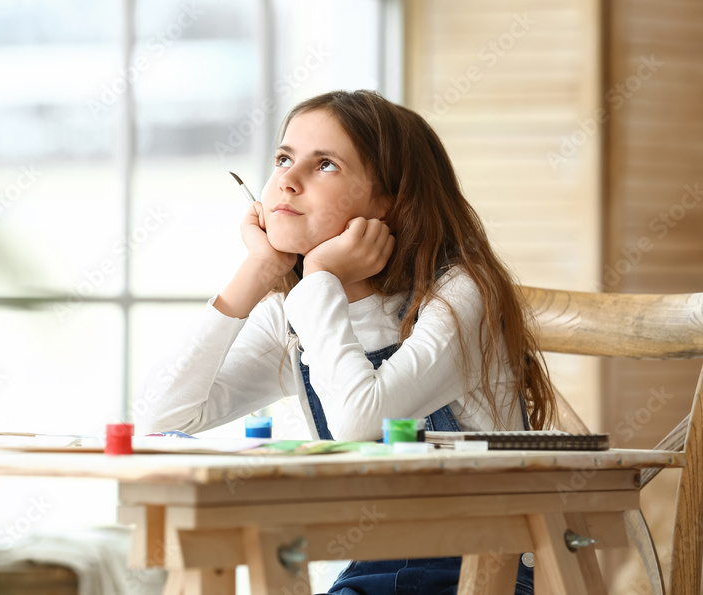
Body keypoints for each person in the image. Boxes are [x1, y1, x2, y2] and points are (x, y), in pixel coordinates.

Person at [135, 89, 556, 593]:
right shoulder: (297, 313)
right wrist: (257, 271)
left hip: (483, 573)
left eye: (325, 165)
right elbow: (162, 418)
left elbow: (361, 420)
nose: (286, 181)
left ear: (391, 203)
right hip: (370, 573)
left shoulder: (460, 295)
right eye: (284, 159)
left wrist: (318, 276)